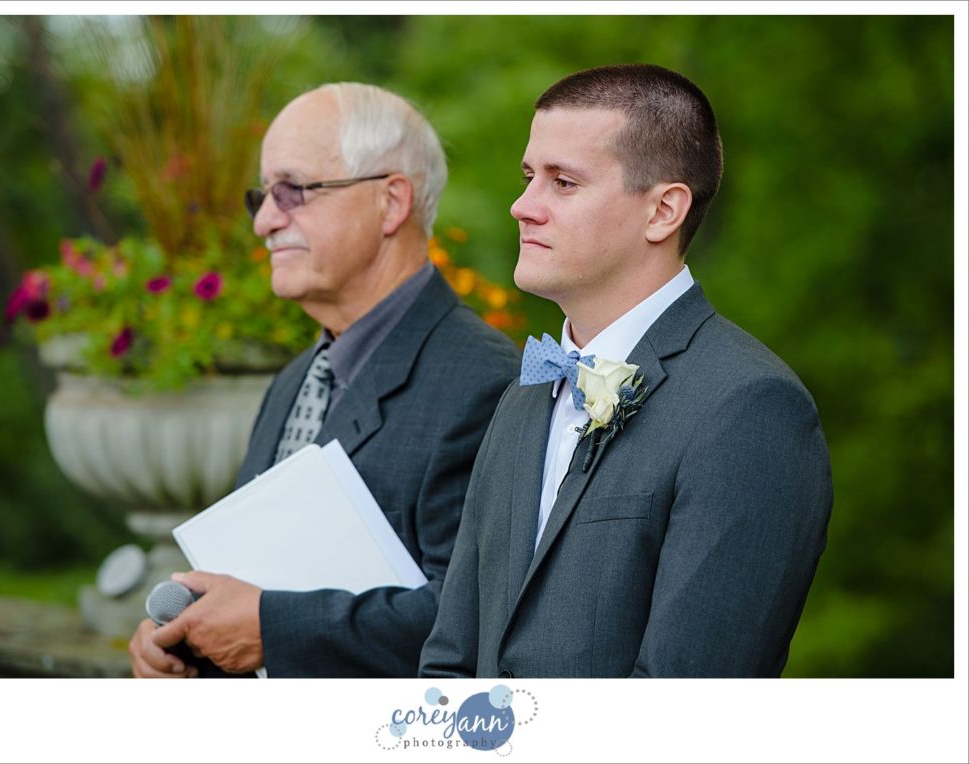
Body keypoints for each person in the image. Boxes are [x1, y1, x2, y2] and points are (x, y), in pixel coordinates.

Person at [419, 64, 833, 678]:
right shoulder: (523, 397)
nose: (522, 206)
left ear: (663, 211)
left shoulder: (749, 407)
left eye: (563, 183)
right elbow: (452, 658)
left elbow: (687, 700)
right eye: (530, 177)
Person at [128, 82, 520, 678]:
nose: (263, 221)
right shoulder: (292, 382)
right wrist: (188, 643)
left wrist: (270, 629)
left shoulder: (485, 382)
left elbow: (477, 619)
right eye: (261, 195)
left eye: (292, 190)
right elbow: (254, 585)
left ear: (391, 203)